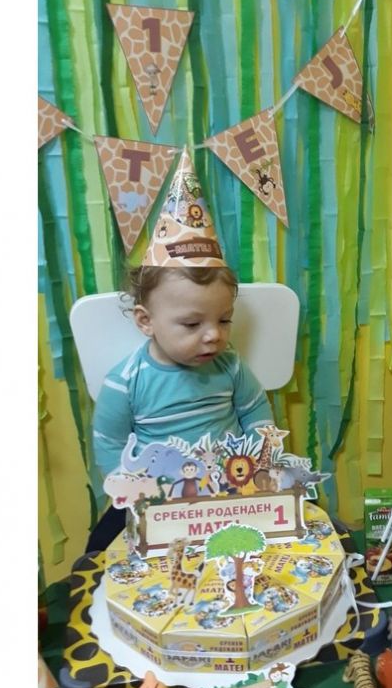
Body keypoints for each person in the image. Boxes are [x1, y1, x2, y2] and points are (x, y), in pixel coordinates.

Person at [85, 150, 273, 553]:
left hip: (230, 489)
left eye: (224, 320)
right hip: (158, 499)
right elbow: (109, 443)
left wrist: (259, 465)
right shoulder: (126, 382)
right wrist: (134, 492)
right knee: (99, 547)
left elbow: (256, 412)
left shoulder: (230, 366)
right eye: (191, 324)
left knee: (285, 528)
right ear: (145, 321)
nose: (213, 336)